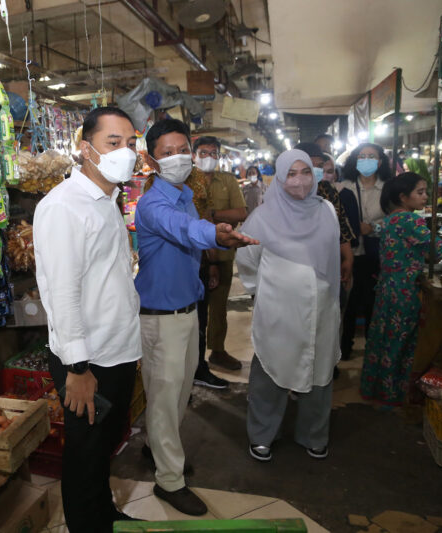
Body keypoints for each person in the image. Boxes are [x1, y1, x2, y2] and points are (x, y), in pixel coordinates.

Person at [134, 119, 256, 516]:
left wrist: (205, 275)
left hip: (186, 311)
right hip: (160, 318)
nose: (177, 158)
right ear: (152, 160)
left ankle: (156, 447)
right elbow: (183, 230)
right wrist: (216, 235)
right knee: (166, 398)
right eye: (166, 153)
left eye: (181, 149)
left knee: (177, 394)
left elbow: (189, 234)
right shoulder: (154, 203)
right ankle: (169, 481)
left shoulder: (185, 193)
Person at [34, 107, 143, 533]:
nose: (125, 152)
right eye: (112, 143)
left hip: (114, 350)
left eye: (130, 143)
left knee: (101, 451)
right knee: (83, 457)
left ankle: (105, 516)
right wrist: (77, 369)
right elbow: (62, 294)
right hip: (88, 359)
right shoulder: (64, 206)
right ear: (86, 149)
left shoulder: (107, 200)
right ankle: (88, 525)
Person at [236, 149, 341, 462]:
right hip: (278, 310)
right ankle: (262, 434)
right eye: (291, 174)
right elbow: (247, 262)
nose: (299, 181)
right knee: (271, 369)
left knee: (319, 372)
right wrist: (269, 291)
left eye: (305, 172)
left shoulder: (326, 210)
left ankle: (314, 434)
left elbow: (331, 256)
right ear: (280, 178)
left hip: (322, 309)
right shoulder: (261, 217)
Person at [362, 173, 442, 406]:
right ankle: (396, 395)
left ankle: (378, 389)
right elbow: (439, 251)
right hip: (406, 291)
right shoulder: (411, 221)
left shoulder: (390, 220)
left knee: (385, 339)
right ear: (403, 196)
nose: (425, 196)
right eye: (420, 192)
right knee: (403, 342)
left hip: (387, 288)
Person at [187, 136, 247, 384]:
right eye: (203, 152)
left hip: (221, 255)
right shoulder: (185, 181)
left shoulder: (228, 181)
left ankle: (217, 351)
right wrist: (217, 220)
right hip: (191, 258)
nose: (208, 157)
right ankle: (193, 360)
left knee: (219, 307)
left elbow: (241, 212)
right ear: (194, 155)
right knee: (194, 312)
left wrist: (210, 214)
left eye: (213, 153)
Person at [339, 143, 393, 360]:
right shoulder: (344, 187)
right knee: (348, 304)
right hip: (349, 255)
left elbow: (399, 221)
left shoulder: (390, 188)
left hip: (378, 255)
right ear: (355, 160)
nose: (367, 160)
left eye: (372, 156)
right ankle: (344, 348)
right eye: (362, 156)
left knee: (374, 303)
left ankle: (374, 351)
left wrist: (374, 227)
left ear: (380, 161)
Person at [294, 142, 354, 288]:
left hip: (327, 260)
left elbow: (340, 224)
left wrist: (348, 257)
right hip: (295, 264)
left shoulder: (327, 189)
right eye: (310, 165)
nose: (316, 170)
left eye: (319, 166)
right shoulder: (286, 191)